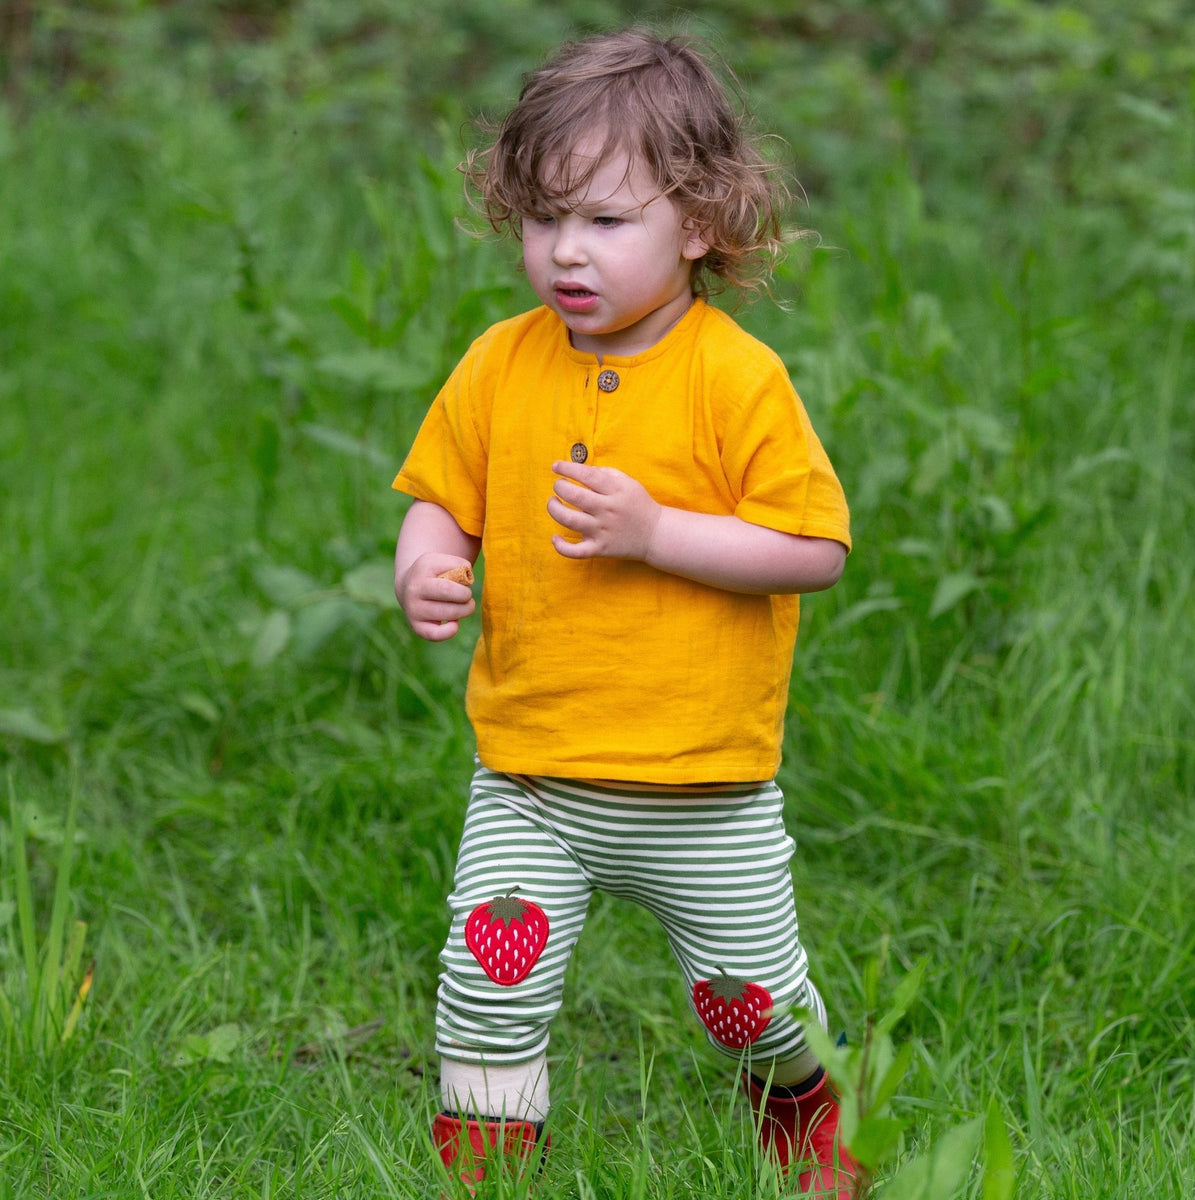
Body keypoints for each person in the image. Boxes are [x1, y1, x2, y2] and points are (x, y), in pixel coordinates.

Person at [392, 27, 855, 1196]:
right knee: (486, 987)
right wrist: (428, 565)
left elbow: (812, 549)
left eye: (605, 221)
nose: (565, 253)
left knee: (750, 1005)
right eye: (544, 220)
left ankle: (807, 1118)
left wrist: (659, 535)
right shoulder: (500, 364)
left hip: (704, 787)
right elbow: (440, 498)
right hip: (533, 774)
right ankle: (484, 1173)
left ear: (698, 225)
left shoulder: (733, 378)